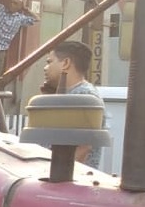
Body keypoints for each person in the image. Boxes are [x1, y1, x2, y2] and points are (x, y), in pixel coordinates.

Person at [40, 41, 107, 169]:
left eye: (49, 62)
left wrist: (56, 178)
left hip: (64, 182)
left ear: (66, 63)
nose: (45, 67)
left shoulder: (84, 96)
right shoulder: (70, 95)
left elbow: (82, 148)